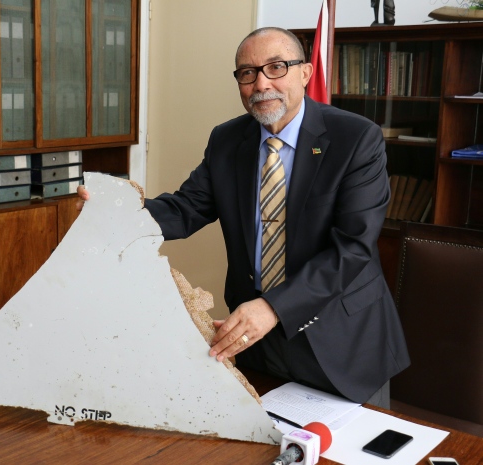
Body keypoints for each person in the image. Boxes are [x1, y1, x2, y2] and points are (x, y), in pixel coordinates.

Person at [77, 27, 409, 407]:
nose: (261, 83)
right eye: (247, 73)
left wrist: (273, 308)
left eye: (276, 67)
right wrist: (116, 213)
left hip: (342, 340)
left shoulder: (356, 138)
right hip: (257, 342)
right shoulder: (227, 139)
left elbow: (352, 249)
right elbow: (187, 208)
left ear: (305, 72)